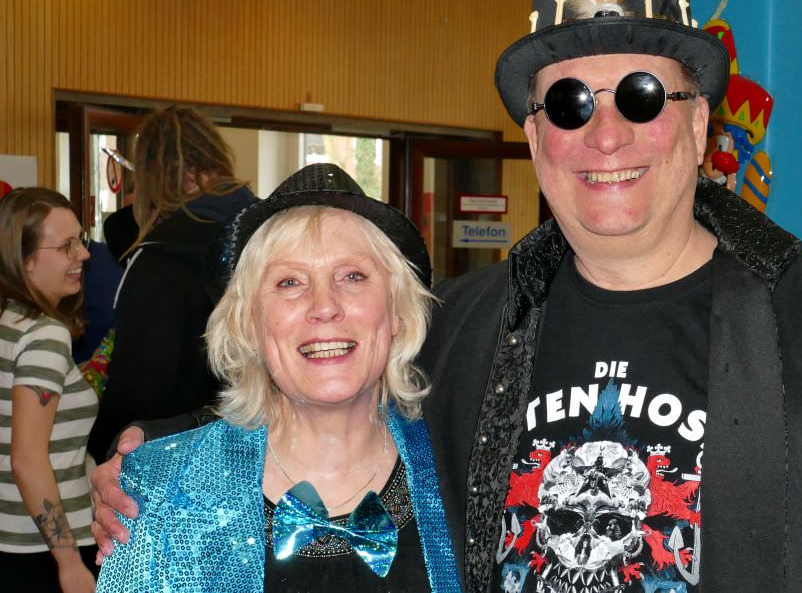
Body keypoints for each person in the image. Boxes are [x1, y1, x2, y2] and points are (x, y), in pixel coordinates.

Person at [93, 0, 802, 589]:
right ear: (535, 138)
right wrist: (156, 452)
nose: (606, 134)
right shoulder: (469, 322)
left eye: (642, 96)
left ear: (697, 123)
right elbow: (333, 397)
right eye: (569, 104)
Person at [95, 163, 460, 591]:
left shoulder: (464, 471)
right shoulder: (160, 493)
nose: (324, 306)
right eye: (289, 282)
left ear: (397, 312)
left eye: (352, 276)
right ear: (248, 324)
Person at [86, 106, 256, 461]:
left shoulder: (160, 257)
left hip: (178, 458)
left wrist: (102, 447)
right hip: (265, 442)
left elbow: (138, 388)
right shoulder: (266, 234)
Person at [0, 188, 99, 592]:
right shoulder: (45, 336)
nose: (84, 255)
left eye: (81, 240)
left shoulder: (10, 322)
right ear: (24, 260)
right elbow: (27, 459)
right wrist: (69, 562)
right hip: (42, 551)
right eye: (66, 246)